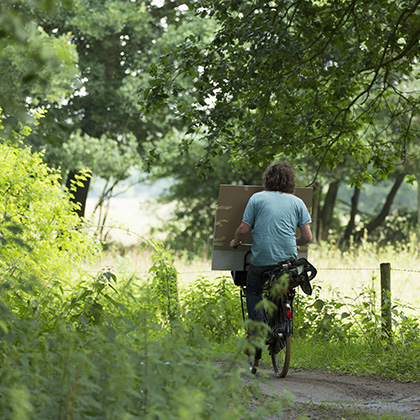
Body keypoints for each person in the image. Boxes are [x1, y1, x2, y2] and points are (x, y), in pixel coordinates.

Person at [229, 161, 312, 324]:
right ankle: (281, 324)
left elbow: (243, 230)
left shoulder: (257, 198)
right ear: (290, 181)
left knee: (253, 290)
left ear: (267, 179)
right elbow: (307, 237)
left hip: (262, 260)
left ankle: (256, 331)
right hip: (288, 262)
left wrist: (234, 242)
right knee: (284, 288)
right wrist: (295, 242)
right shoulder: (297, 202)